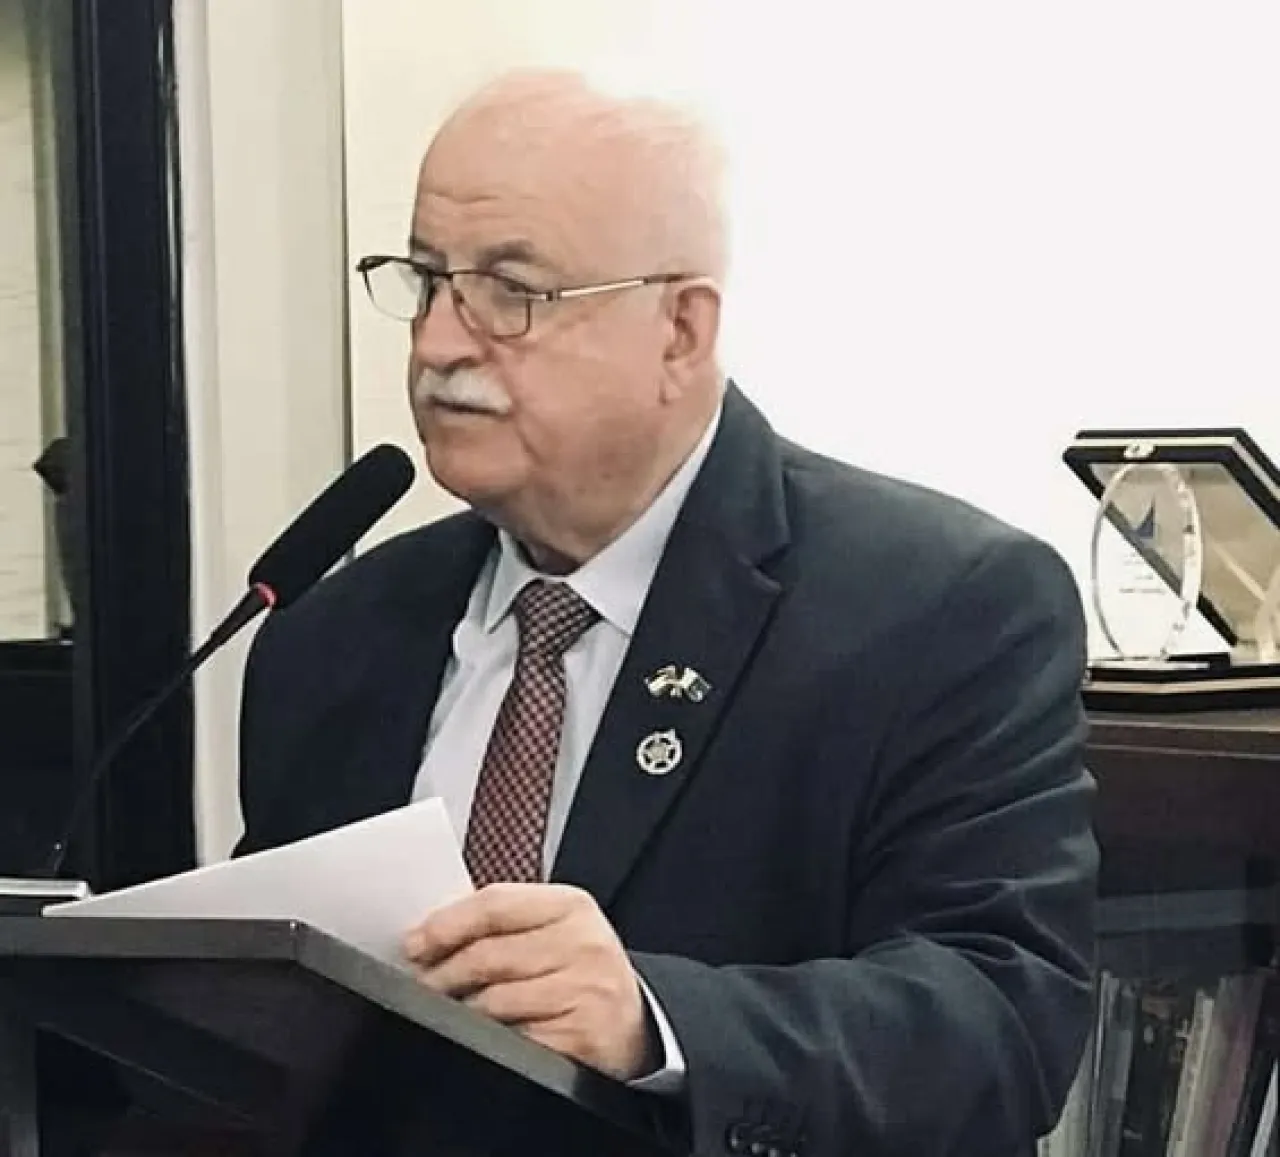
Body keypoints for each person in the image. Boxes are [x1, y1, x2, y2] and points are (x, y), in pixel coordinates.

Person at [235, 67, 1098, 1156]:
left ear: (680, 331)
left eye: (510, 291)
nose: (439, 345)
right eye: (426, 279)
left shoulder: (943, 606)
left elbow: (1001, 1021)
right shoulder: (332, 635)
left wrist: (660, 1020)